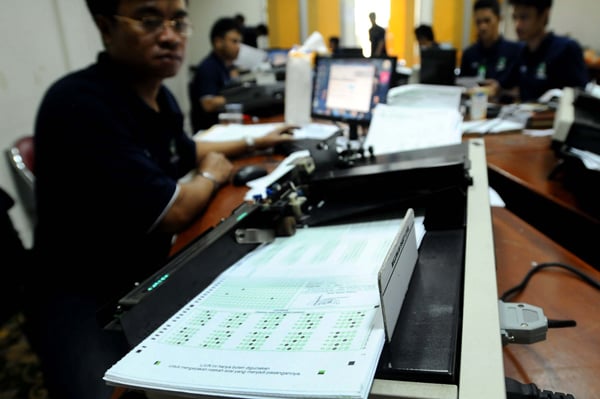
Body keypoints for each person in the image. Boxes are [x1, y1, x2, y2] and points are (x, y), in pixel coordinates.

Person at [22, 2, 294, 399]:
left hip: (143, 271)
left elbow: (190, 150)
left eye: (178, 21)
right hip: (83, 293)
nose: (169, 35)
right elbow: (176, 210)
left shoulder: (158, 97)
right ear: (105, 27)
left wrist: (258, 139)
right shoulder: (80, 103)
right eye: (149, 21)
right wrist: (210, 176)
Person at [487, 0, 589, 102]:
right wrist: (497, 89)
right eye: (515, 18)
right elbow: (508, 86)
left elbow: (581, 97)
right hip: (523, 115)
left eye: (524, 17)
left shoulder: (566, 49)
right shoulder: (521, 51)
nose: (517, 25)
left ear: (544, 16)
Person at [189, 17, 242, 133]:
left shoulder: (224, 66)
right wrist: (243, 96)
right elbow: (208, 104)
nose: (239, 46)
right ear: (218, 42)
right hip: (210, 134)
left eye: (239, 42)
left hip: (223, 129)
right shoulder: (208, 67)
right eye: (234, 41)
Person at [459, 0, 523, 84]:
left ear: (499, 19)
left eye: (487, 21)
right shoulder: (469, 54)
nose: (482, 27)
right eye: (478, 22)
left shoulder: (515, 51)